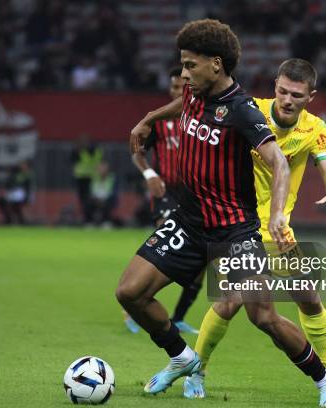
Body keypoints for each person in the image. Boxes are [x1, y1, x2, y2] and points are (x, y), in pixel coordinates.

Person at [115, 20, 326, 407]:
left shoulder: (242, 109)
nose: (184, 74)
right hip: (189, 223)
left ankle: (324, 381)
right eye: (183, 65)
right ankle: (182, 357)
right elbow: (180, 104)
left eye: (190, 65)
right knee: (130, 293)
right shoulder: (193, 91)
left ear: (216, 65)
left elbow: (280, 164)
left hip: (234, 233)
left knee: (263, 317)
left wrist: (276, 217)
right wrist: (151, 118)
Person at [182, 59, 326, 403]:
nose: (287, 99)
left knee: (309, 298)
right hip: (238, 229)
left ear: (310, 97)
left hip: (280, 230)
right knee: (231, 303)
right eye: (282, 91)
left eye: (296, 95)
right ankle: (196, 371)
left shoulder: (315, 129)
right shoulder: (249, 111)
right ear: (275, 87)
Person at [128, 66, 202, 335]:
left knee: (200, 266)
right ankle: (133, 306)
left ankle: (178, 318)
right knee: (162, 249)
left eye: (180, 87)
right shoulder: (160, 120)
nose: (176, 92)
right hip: (166, 193)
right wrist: (148, 173)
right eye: (173, 88)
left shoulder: (200, 119)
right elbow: (137, 150)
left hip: (194, 196)